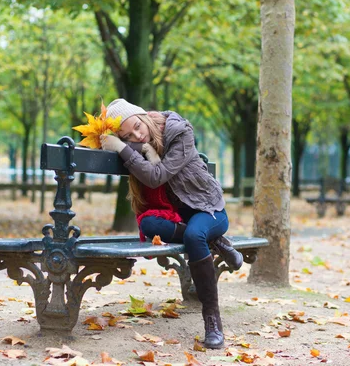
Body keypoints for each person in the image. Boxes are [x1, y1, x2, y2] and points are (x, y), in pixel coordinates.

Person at [99, 98, 243, 349]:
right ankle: (217, 242)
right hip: (177, 215)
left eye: (136, 126)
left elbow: (156, 177)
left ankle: (212, 320)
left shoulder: (179, 132)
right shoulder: (139, 144)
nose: (137, 135)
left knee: (194, 236)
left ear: (142, 115)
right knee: (150, 225)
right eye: (127, 135)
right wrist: (137, 150)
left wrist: (123, 148)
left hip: (208, 208)